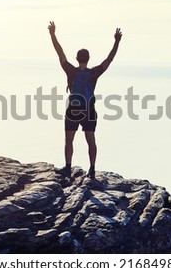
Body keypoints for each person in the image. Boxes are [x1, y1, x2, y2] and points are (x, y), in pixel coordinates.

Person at [48, 21, 122, 179]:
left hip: (73, 109)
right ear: (88, 59)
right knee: (91, 140)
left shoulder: (71, 71)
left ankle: (67, 169)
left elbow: (59, 52)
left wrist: (52, 34)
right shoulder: (94, 73)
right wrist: (116, 42)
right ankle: (92, 170)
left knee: (69, 140)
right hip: (89, 109)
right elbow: (109, 60)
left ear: (76, 58)